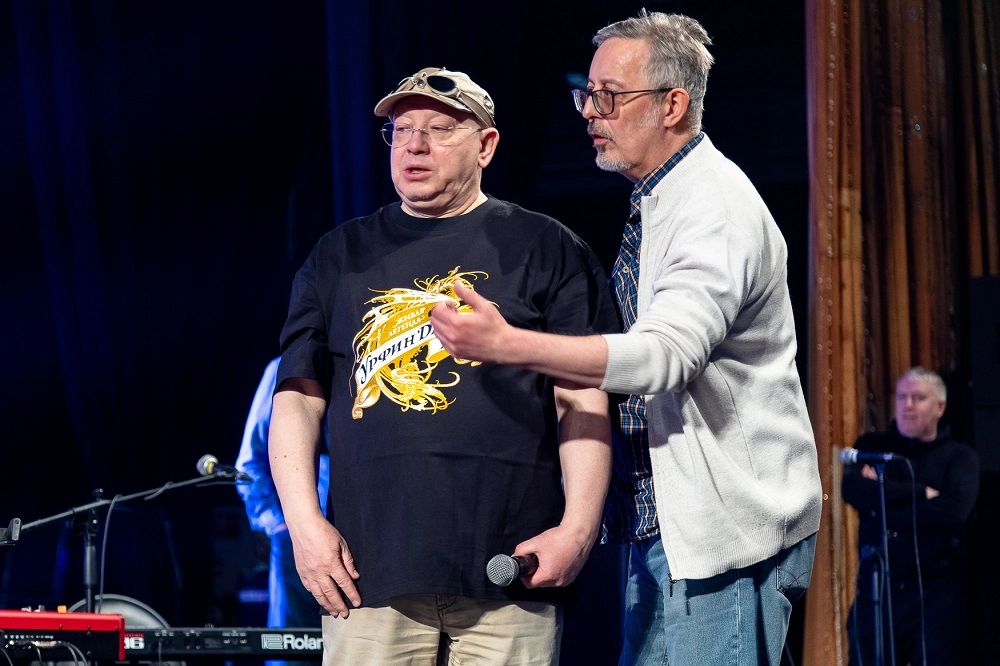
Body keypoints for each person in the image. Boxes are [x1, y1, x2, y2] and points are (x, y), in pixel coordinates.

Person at [429, 11, 823, 666]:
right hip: (668, 530)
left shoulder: (714, 206)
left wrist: (507, 344)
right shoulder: (662, 198)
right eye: (587, 93)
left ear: (672, 105)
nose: (590, 110)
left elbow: (665, 356)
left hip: (724, 540)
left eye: (610, 95)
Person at [268, 66, 618, 665]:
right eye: (402, 130)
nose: (415, 145)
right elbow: (297, 399)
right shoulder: (338, 256)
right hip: (368, 576)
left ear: (486, 145)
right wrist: (304, 526)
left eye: (439, 129)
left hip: (512, 572)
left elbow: (582, 395)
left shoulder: (548, 248)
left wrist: (579, 529)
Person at [842, 367, 979, 666]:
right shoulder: (871, 448)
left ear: (940, 407)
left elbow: (955, 511)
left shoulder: (960, 457)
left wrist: (883, 502)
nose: (907, 405)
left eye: (918, 398)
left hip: (936, 594)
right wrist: (922, 493)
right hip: (878, 589)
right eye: (901, 397)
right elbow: (853, 491)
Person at [235, 356, 328, 666]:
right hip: (299, 540)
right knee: (294, 650)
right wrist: (278, 523)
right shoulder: (284, 367)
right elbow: (249, 464)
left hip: (366, 541)